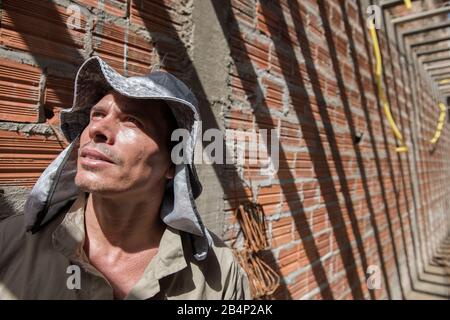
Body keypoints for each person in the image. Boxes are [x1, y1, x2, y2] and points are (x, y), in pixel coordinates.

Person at [0, 56, 251, 300]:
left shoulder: (219, 277)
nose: (97, 129)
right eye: (97, 114)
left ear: (173, 162)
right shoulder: (11, 242)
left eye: (132, 120)